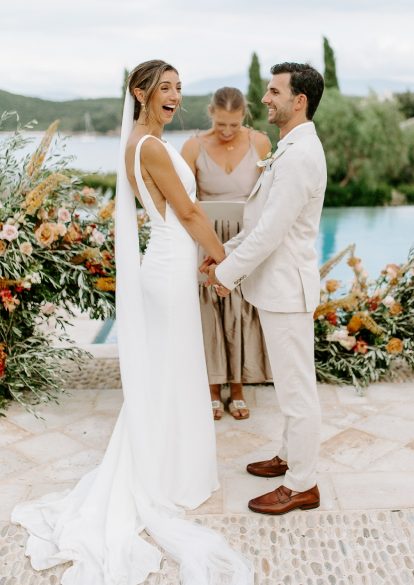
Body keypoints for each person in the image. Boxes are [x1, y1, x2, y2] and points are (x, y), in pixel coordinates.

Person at [12, 60, 252, 585]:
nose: (175, 96)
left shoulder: (149, 143)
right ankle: (163, 473)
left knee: (173, 371)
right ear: (139, 93)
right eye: (165, 88)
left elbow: (183, 213)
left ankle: (170, 464)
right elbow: (188, 213)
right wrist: (225, 262)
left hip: (171, 263)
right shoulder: (147, 146)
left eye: (179, 88)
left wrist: (206, 258)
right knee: (174, 370)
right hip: (168, 268)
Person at [204, 62, 327, 515]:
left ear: (299, 101)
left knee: (297, 391)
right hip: (276, 286)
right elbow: (259, 221)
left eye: (274, 92)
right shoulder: (289, 148)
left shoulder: (299, 156)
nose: (265, 99)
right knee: (290, 389)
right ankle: (290, 456)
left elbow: (271, 234)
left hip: (287, 290)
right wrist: (223, 254)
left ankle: (303, 484)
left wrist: (224, 273)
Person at [182, 87, 272, 420]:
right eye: (221, 124)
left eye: (234, 125)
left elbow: (267, 197)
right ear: (211, 114)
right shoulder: (193, 146)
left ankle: (237, 388)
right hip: (206, 239)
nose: (227, 131)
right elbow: (185, 201)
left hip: (246, 238)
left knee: (241, 308)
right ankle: (211, 389)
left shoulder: (260, 143)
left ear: (243, 116)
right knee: (209, 311)